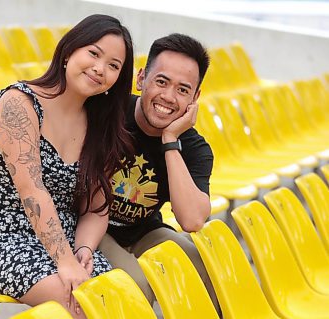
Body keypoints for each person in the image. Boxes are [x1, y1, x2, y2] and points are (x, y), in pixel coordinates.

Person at [0, 14, 134, 318]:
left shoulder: (100, 126)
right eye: (93, 53)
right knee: (79, 304)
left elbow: (96, 209)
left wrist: (84, 251)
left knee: (117, 299)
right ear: (68, 52)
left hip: (63, 240)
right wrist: (65, 261)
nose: (100, 69)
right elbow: (31, 191)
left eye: (114, 66)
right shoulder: (19, 103)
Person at [98, 33, 220, 312]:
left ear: (195, 97)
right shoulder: (107, 112)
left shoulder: (194, 147)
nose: (168, 97)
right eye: (161, 82)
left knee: (204, 265)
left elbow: (192, 220)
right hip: (92, 224)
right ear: (141, 79)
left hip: (142, 230)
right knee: (136, 284)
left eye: (182, 89)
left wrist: (170, 141)